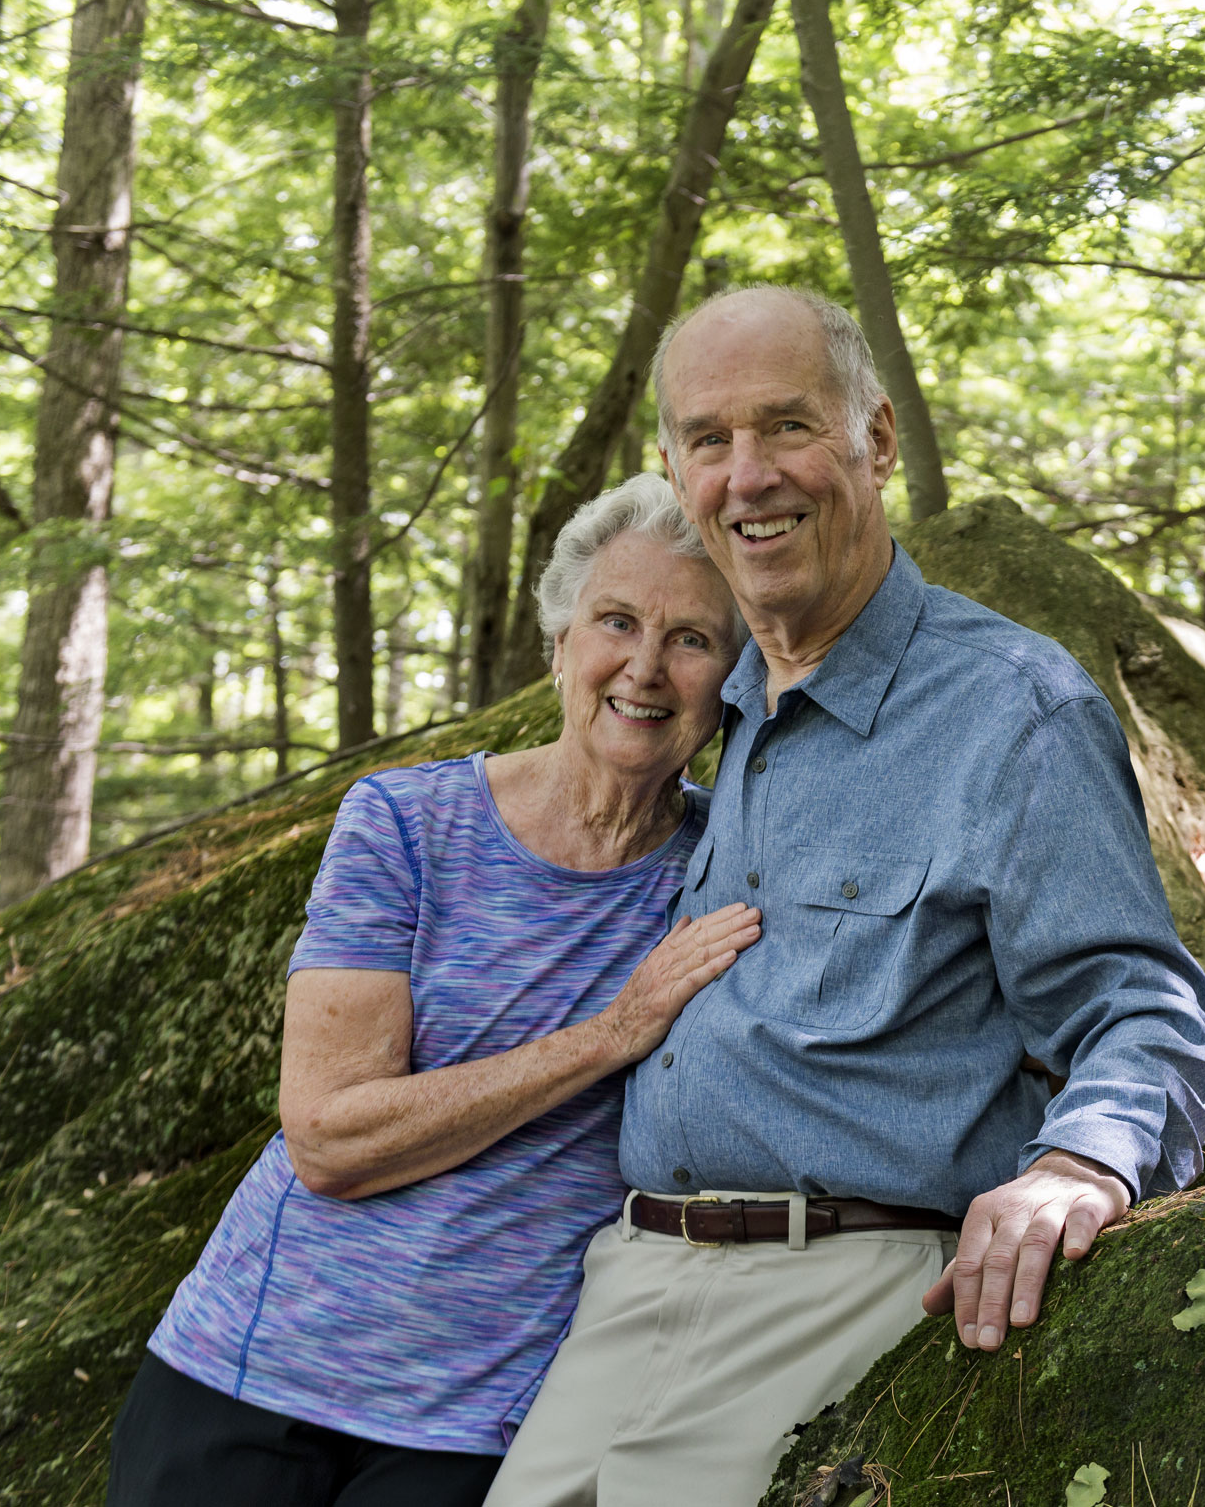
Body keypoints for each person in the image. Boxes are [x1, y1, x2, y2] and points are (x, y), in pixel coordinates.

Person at [483, 288, 1205, 1507]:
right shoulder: (710, 715)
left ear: (876, 441)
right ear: (677, 473)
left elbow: (1139, 1009)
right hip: (625, 1291)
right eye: (710, 442)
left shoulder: (1011, 712)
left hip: (839, 1283)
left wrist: (1079, 1168)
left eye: (788, 427)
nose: (749, 475)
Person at [105, 474, 760, 1507]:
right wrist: (613, 1034)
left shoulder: (728, 868)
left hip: (474, 1423)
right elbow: (328, 1139)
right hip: (250, 1371)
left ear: (734, 680)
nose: (644, 668)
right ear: (560, 641)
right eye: (616, 622)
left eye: (691, 639)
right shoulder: (407, 825)